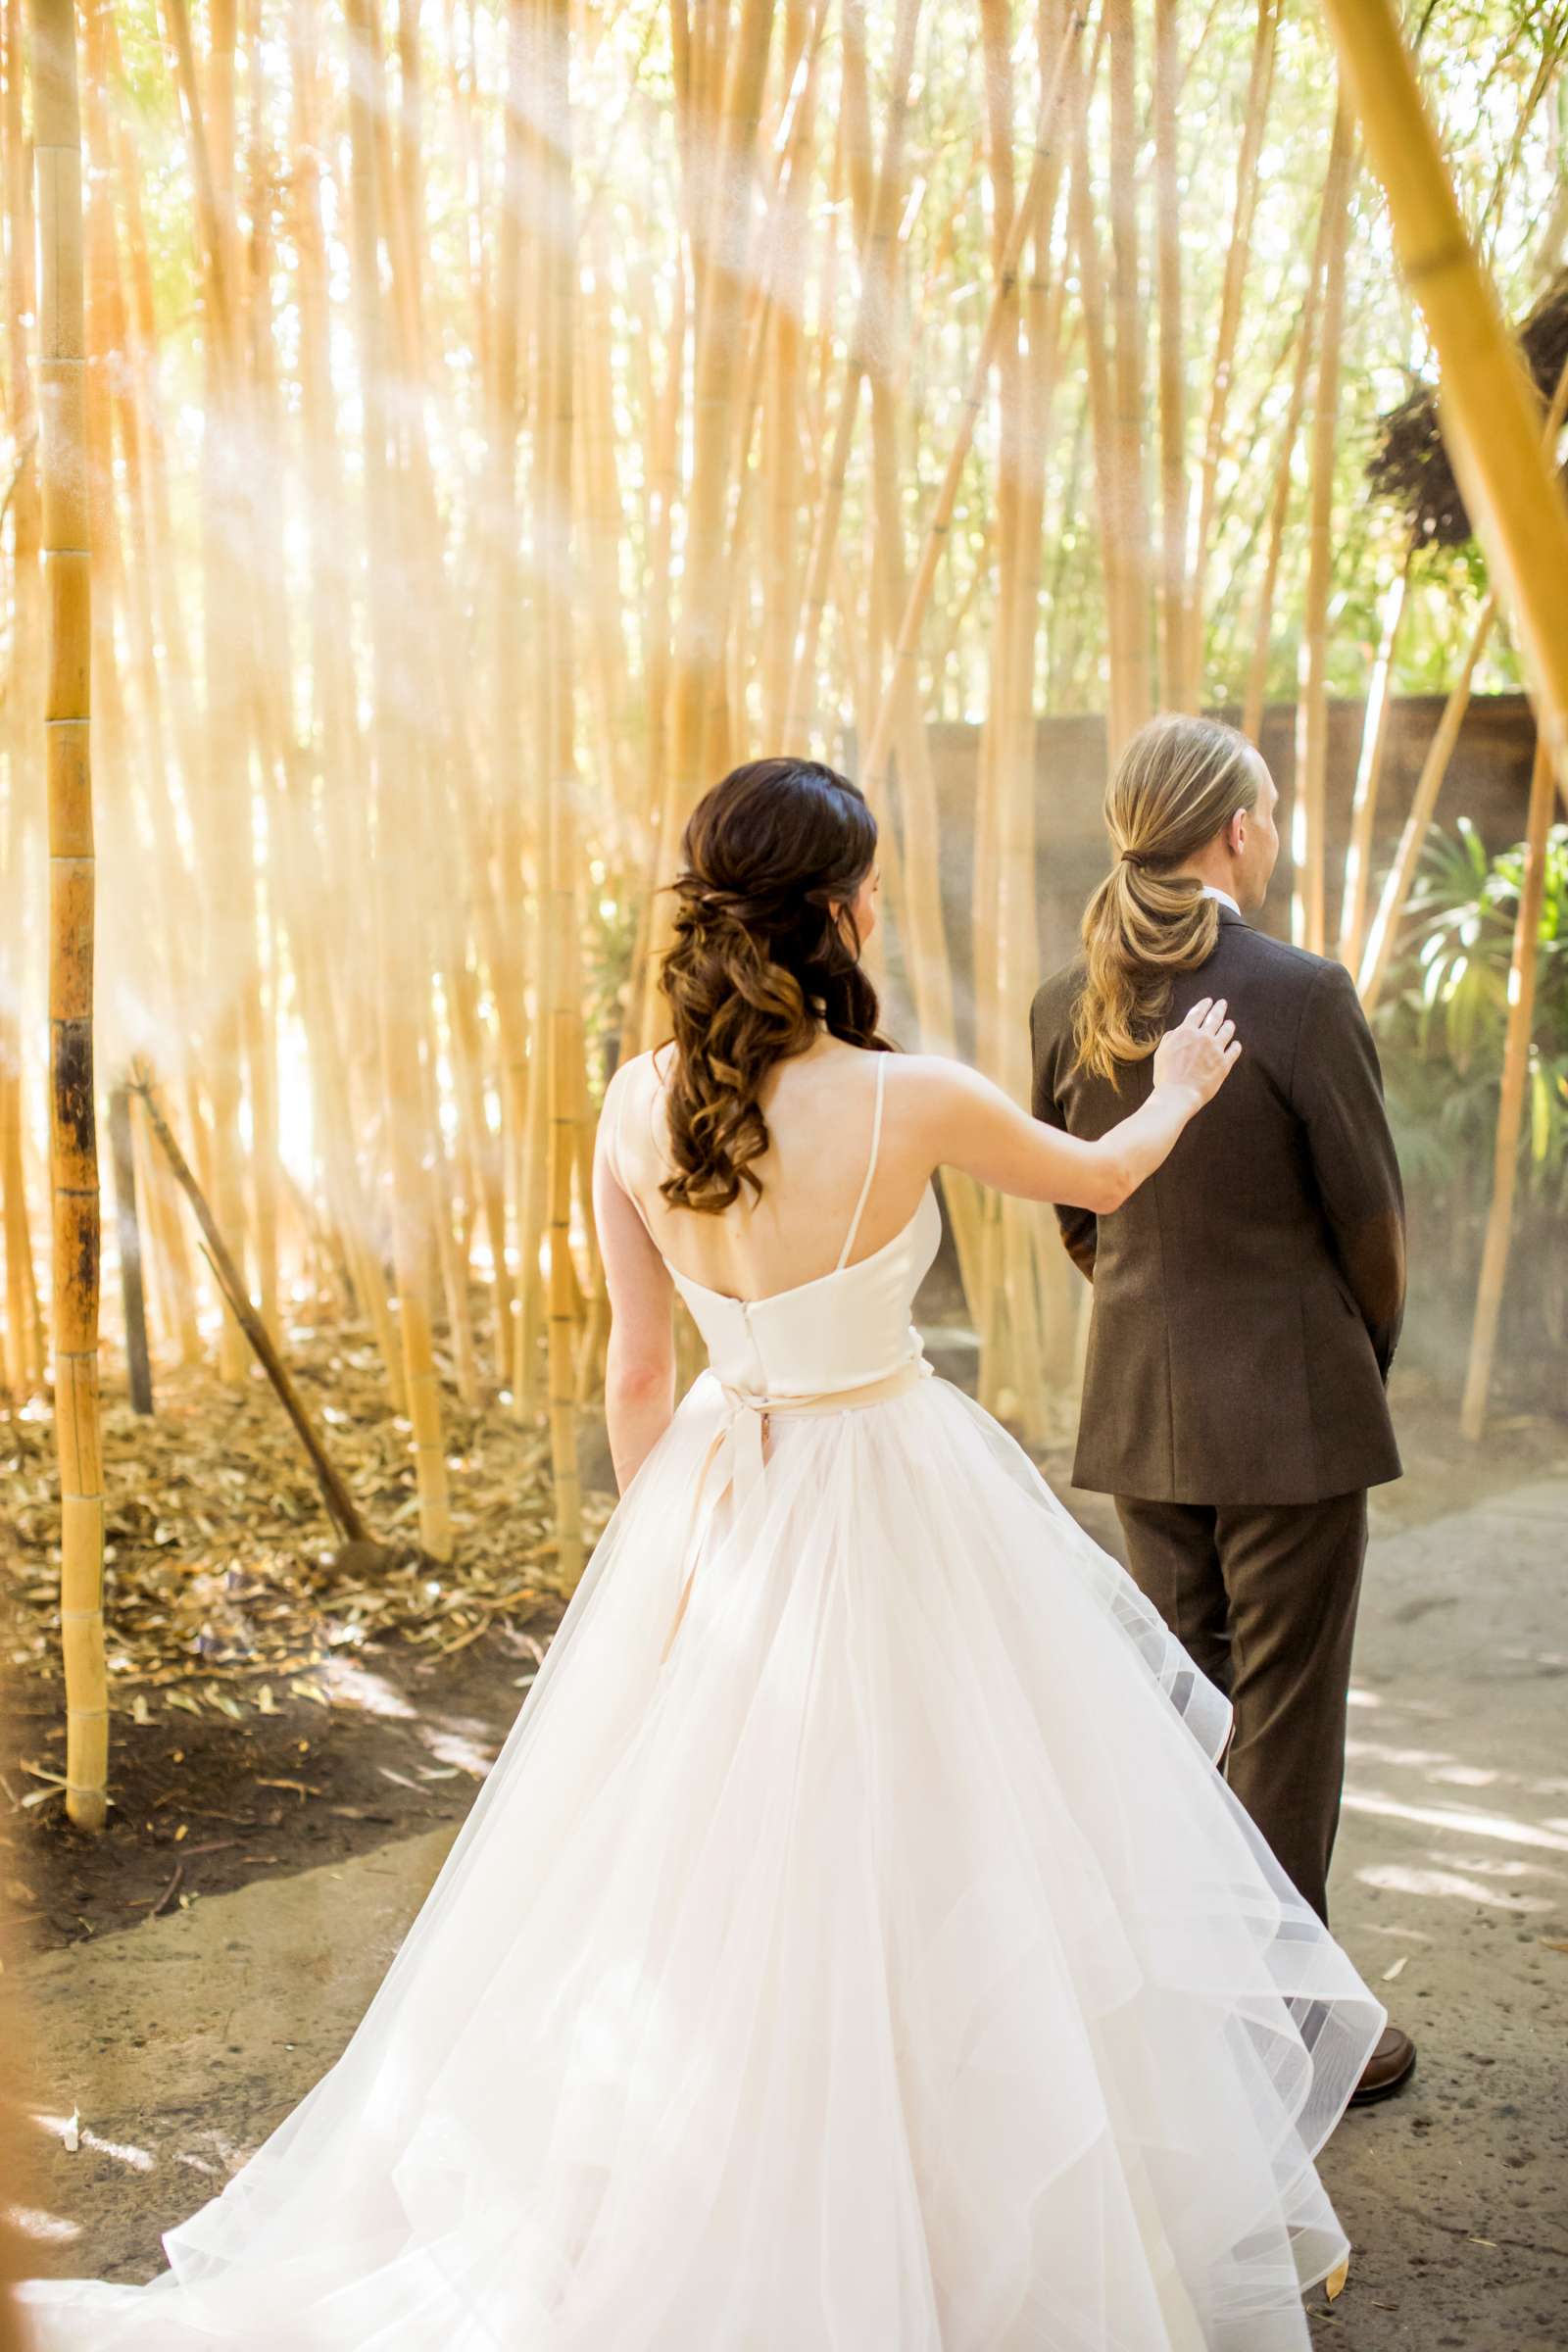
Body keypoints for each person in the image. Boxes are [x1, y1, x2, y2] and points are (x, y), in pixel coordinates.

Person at [21, 757, 1383, 2350]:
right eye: (868, 879)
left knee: (719, 1887)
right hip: (899, 1497)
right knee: (969, 1855)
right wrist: (1184, 1087)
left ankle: (745, 2208)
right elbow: (1097, 1180)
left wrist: (675, 1560)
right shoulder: (906, 1094)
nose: (880, 901)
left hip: (736, 1493)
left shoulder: (629, 1102)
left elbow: (638, 1378)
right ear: (835, 910)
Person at [1030, 710, 1415, 2109]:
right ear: (1238, 829)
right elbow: (1370, 1219)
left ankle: (1199, 2014)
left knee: (1187, 1715)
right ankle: (1290, 2036)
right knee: (1287, 1718)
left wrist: (1143, 1304)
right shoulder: (1301, 991)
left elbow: (1084, 1210)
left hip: (1139, 1402)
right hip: (1293, 1407)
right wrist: (1356, 1346)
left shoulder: (1060, 998)